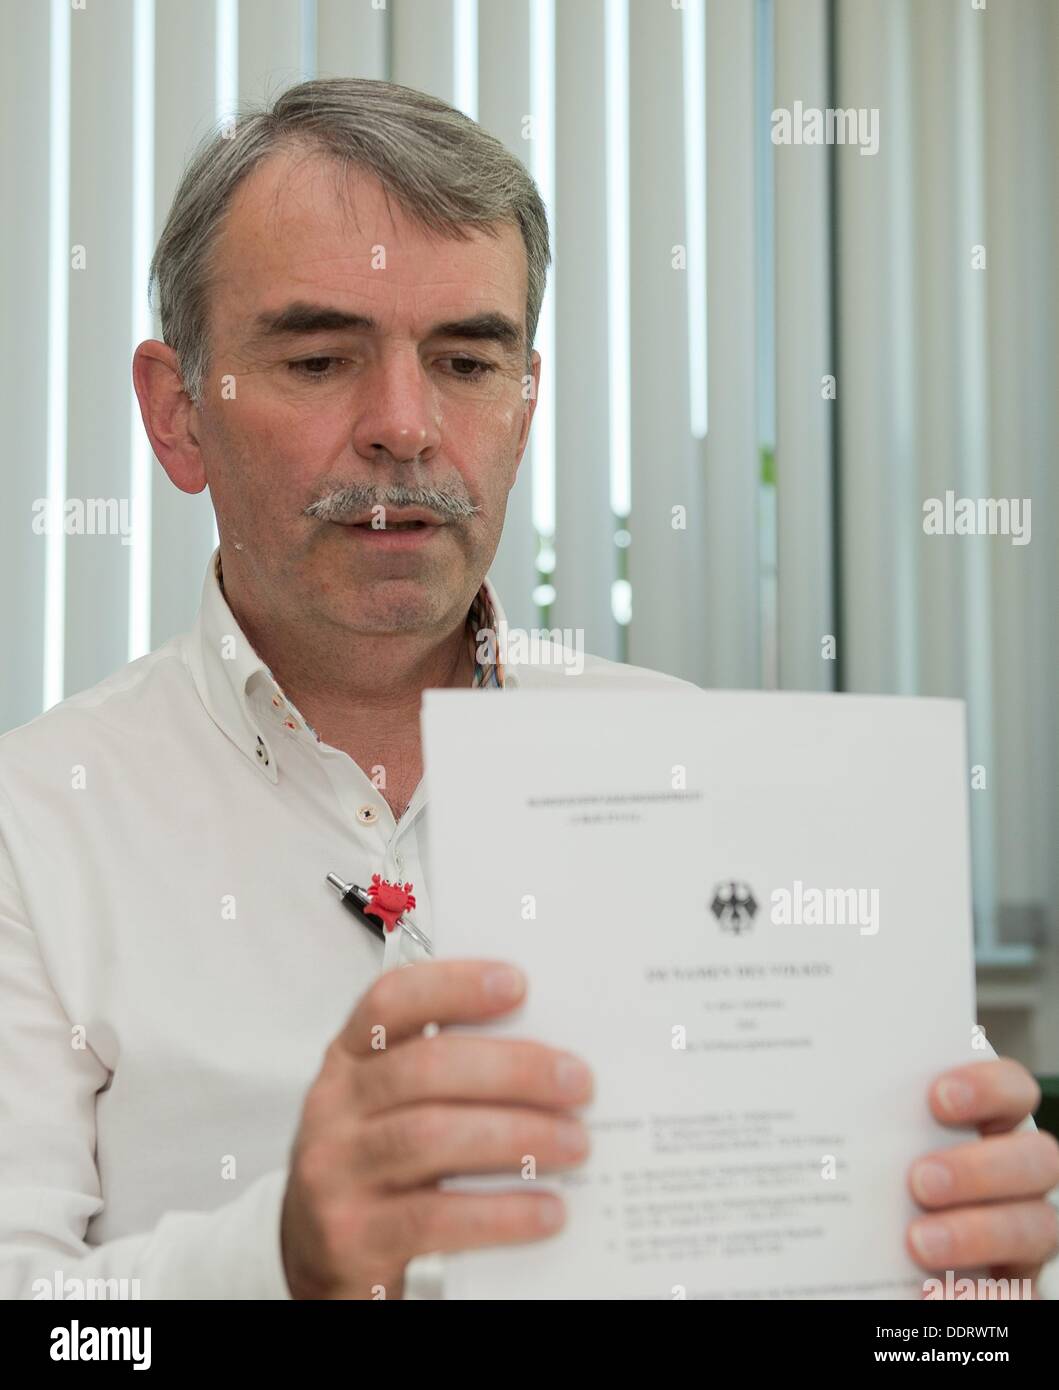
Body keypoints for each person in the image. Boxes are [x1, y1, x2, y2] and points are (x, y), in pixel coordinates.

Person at [0, 78, 1055, 1301]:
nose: (404, 426)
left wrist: (972, 1282)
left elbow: (925, 1262)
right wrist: (275, 1263)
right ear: (179, 414)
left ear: (525, 403)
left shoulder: (714, 770)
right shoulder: (35, 827)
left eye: (464, 360)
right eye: (322, 356)